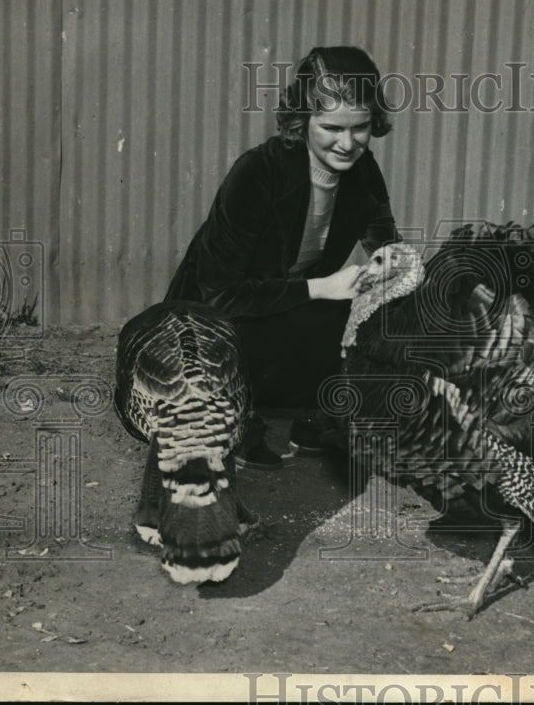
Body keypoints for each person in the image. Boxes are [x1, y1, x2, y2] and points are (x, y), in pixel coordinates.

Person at [165, 46, 400, 468]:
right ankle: (239, 420)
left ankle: (317, 417)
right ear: (302, 119)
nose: (347, 144)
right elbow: (221, 295)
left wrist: (391, 268)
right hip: (210, 322)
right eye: (331, 127)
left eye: (360, 128)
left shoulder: (364, 172)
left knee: (374, 311)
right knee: (326, 306)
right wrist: (323, 287)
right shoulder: (257, 172)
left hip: (285, 306)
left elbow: (386, 245)